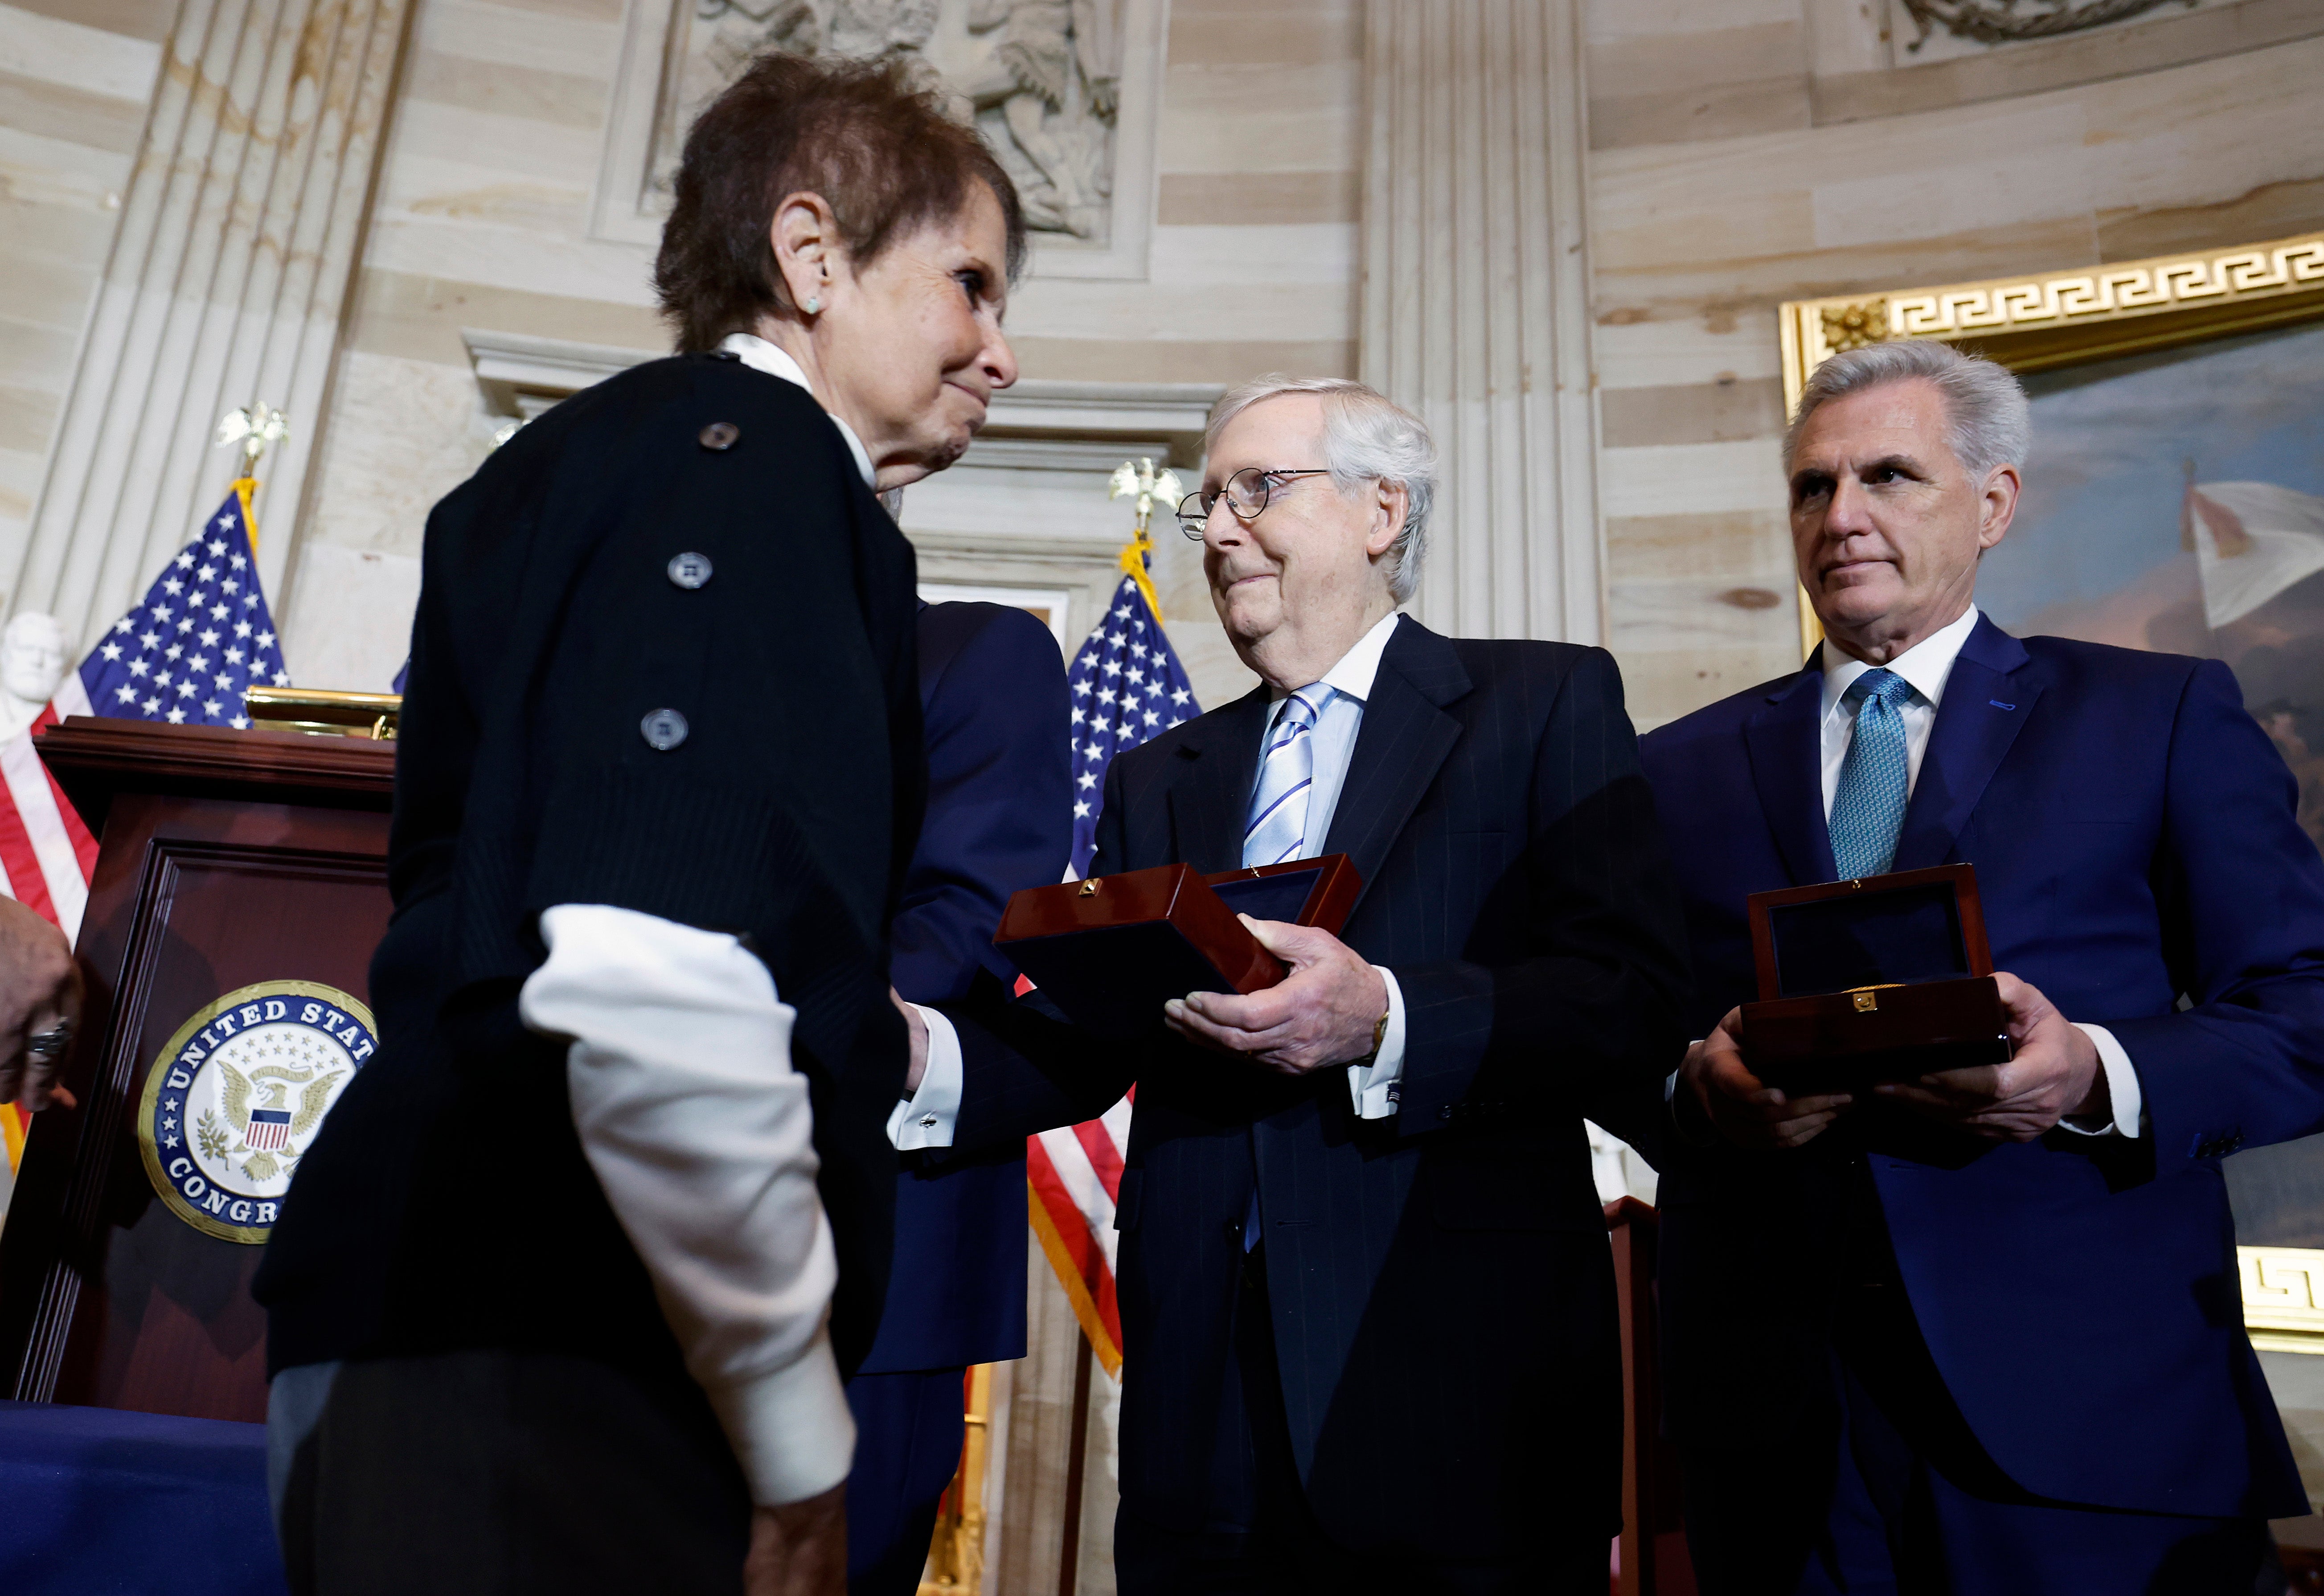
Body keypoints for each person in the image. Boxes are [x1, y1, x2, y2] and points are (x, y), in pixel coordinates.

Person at [252, 54, 1023, 1596]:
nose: (999, 354)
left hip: (414, 1329)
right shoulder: (759, 477)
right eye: (970, 287)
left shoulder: (555, 474)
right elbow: (650, 972)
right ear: (813, 255)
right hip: (568, 1359)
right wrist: (799, 1446)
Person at [906, 375, 1693, 1591]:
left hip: (1452, 1380)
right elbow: (1080, 1034)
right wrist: (909, 1049)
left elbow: (1629, 995)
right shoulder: (1157, 772)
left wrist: (1389, 1015)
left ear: (1384, 511)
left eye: (1258, 489)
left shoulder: (1542, 703)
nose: (1218, 530)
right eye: (1207, 503)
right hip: (1196, 1400)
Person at [1638, 338, 2324, 1592]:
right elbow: (1621, 1032)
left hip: (2091, 1413)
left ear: (1994, 501)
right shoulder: (1672, 768)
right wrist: (1695, 1089)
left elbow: (2306, 1007)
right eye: (1812, 486)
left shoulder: (2157, 715)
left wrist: (2100, 1071)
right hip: (1782, 1432)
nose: (1842, 517)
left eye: (1890, 475)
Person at [846, 599, 1071, 1595]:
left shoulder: (969, 654)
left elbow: (967, 919)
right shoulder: (585, 640)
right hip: (563, 1257)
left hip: (858, 1260)